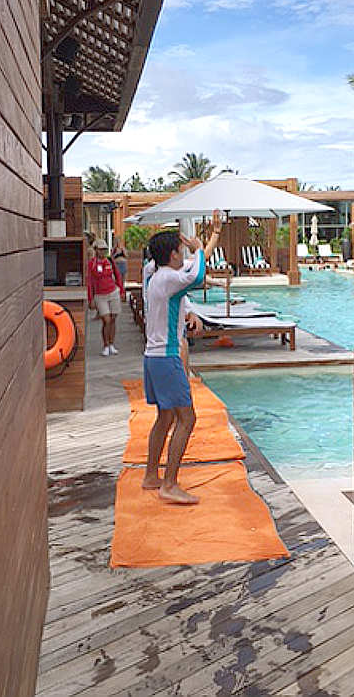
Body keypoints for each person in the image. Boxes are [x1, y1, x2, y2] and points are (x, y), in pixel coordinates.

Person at [142, 211, 223, 504]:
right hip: (167, 357)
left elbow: (195, 265)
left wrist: (213, 235)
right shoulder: (168, 279)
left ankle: (152, 475)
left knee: (165, 417)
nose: (184, 254)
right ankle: (169, 484)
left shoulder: (156, 274)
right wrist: (199, 248)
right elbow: (198, 274)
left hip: (153, 357)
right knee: (187, 419)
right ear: (173, 254)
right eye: (181, 249)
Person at [87, 238, 124, 356]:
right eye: (100, 249)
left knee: (113, 319)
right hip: (100, 295)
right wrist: (90, 298)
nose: (102, 252)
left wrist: (121, 290)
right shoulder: (92, 263)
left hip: (113, 292)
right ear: (96, 250)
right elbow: (89, 282)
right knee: (106, 320)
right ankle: (106, 344)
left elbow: (117, 275)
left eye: (104, 249)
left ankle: (112, 343)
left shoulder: (109, 261)